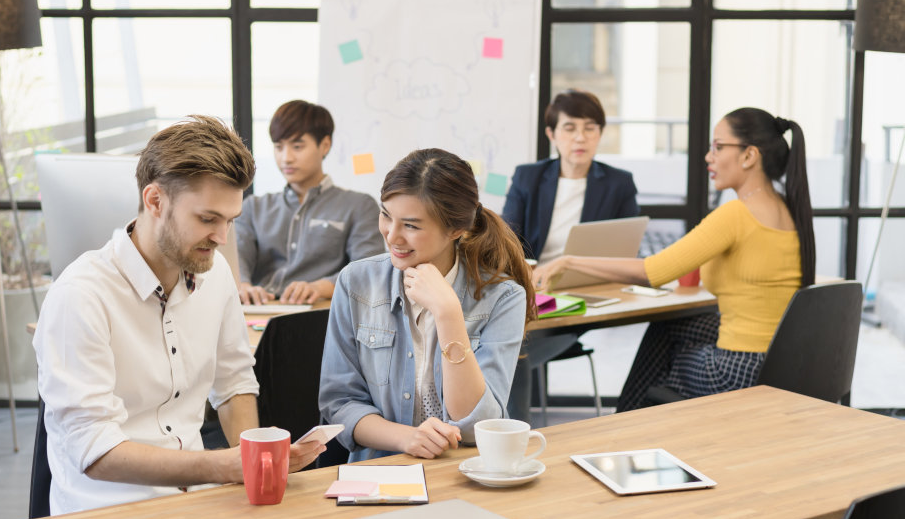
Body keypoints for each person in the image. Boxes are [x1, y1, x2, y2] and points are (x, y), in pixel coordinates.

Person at [33, 116, 323, 515]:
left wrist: (250, 466)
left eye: (229, 221)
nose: (222, 239)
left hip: (200, 504)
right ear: (154, 201)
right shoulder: (80, 296)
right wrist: (223, 466)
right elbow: (94, 450)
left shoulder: (215, 271)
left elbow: (234, 380)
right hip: (109, 517)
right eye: (207, 219)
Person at [532, 108, 816, 411]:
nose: (708, 157)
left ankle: (626, 421)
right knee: (676, 325)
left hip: (738, 371)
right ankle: (627, 418)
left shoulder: (736, 214)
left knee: (658, 357)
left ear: (749, 156)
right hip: (779, 364)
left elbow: (651, 272)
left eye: (718, 147)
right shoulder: (789, 209)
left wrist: (568, 261)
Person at [319, 148, 536, 462]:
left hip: (467, 471)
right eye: (386, 216)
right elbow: (339, 403)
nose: (392, 236)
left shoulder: (503, 297)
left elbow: (478, 426)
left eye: (411, 226)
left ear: (455, 230)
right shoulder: (356, 283)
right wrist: (408, 438)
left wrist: (448, 313)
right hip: (382, 470)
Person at [501, 89, 639, 422]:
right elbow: (505, 242)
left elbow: (627, 252)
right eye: (570, 127)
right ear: (552, 134)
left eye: (590, 128)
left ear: (601, 134)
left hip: (584, 297)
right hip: (532, 292)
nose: (580, 137)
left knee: (512, 349)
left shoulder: (618, 183)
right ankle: (508, 432)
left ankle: (516, 435)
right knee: (509, 344)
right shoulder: (529, 177)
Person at [235, 100, 382, 305]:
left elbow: (370, 270)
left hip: (319, 312)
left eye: (297, 146)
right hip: (259, 311)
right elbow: (235, 258)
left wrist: (319, 288)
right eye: (279, 147)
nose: (286, 158)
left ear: (325, 145)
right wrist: (243, 285)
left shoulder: (359, 206)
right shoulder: (253, 207)